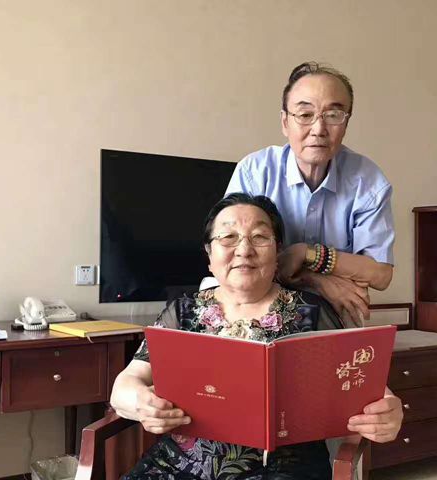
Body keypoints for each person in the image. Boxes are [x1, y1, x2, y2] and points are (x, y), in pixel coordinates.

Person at [110, 193, 403, 479]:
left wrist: (387, 412)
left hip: (284, 468)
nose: (244, 249)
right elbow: (126, 384)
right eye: (228, 237)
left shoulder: (311, 312)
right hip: (179, 465)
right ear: (209, 255)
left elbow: (366, 387)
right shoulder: (182, 311)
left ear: (277, 253)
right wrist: (141, 403)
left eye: (259, 237)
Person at [226, 62, 394, 325]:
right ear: (285, 122)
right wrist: (316, 280)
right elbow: (237, 260)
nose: (318, 129)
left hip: (333, 319)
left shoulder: (368, 181)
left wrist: (306, 253)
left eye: (333, 115)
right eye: (305, 114)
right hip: (259, 316)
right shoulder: (255, 172)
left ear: (346, 123)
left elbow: (380, 274)